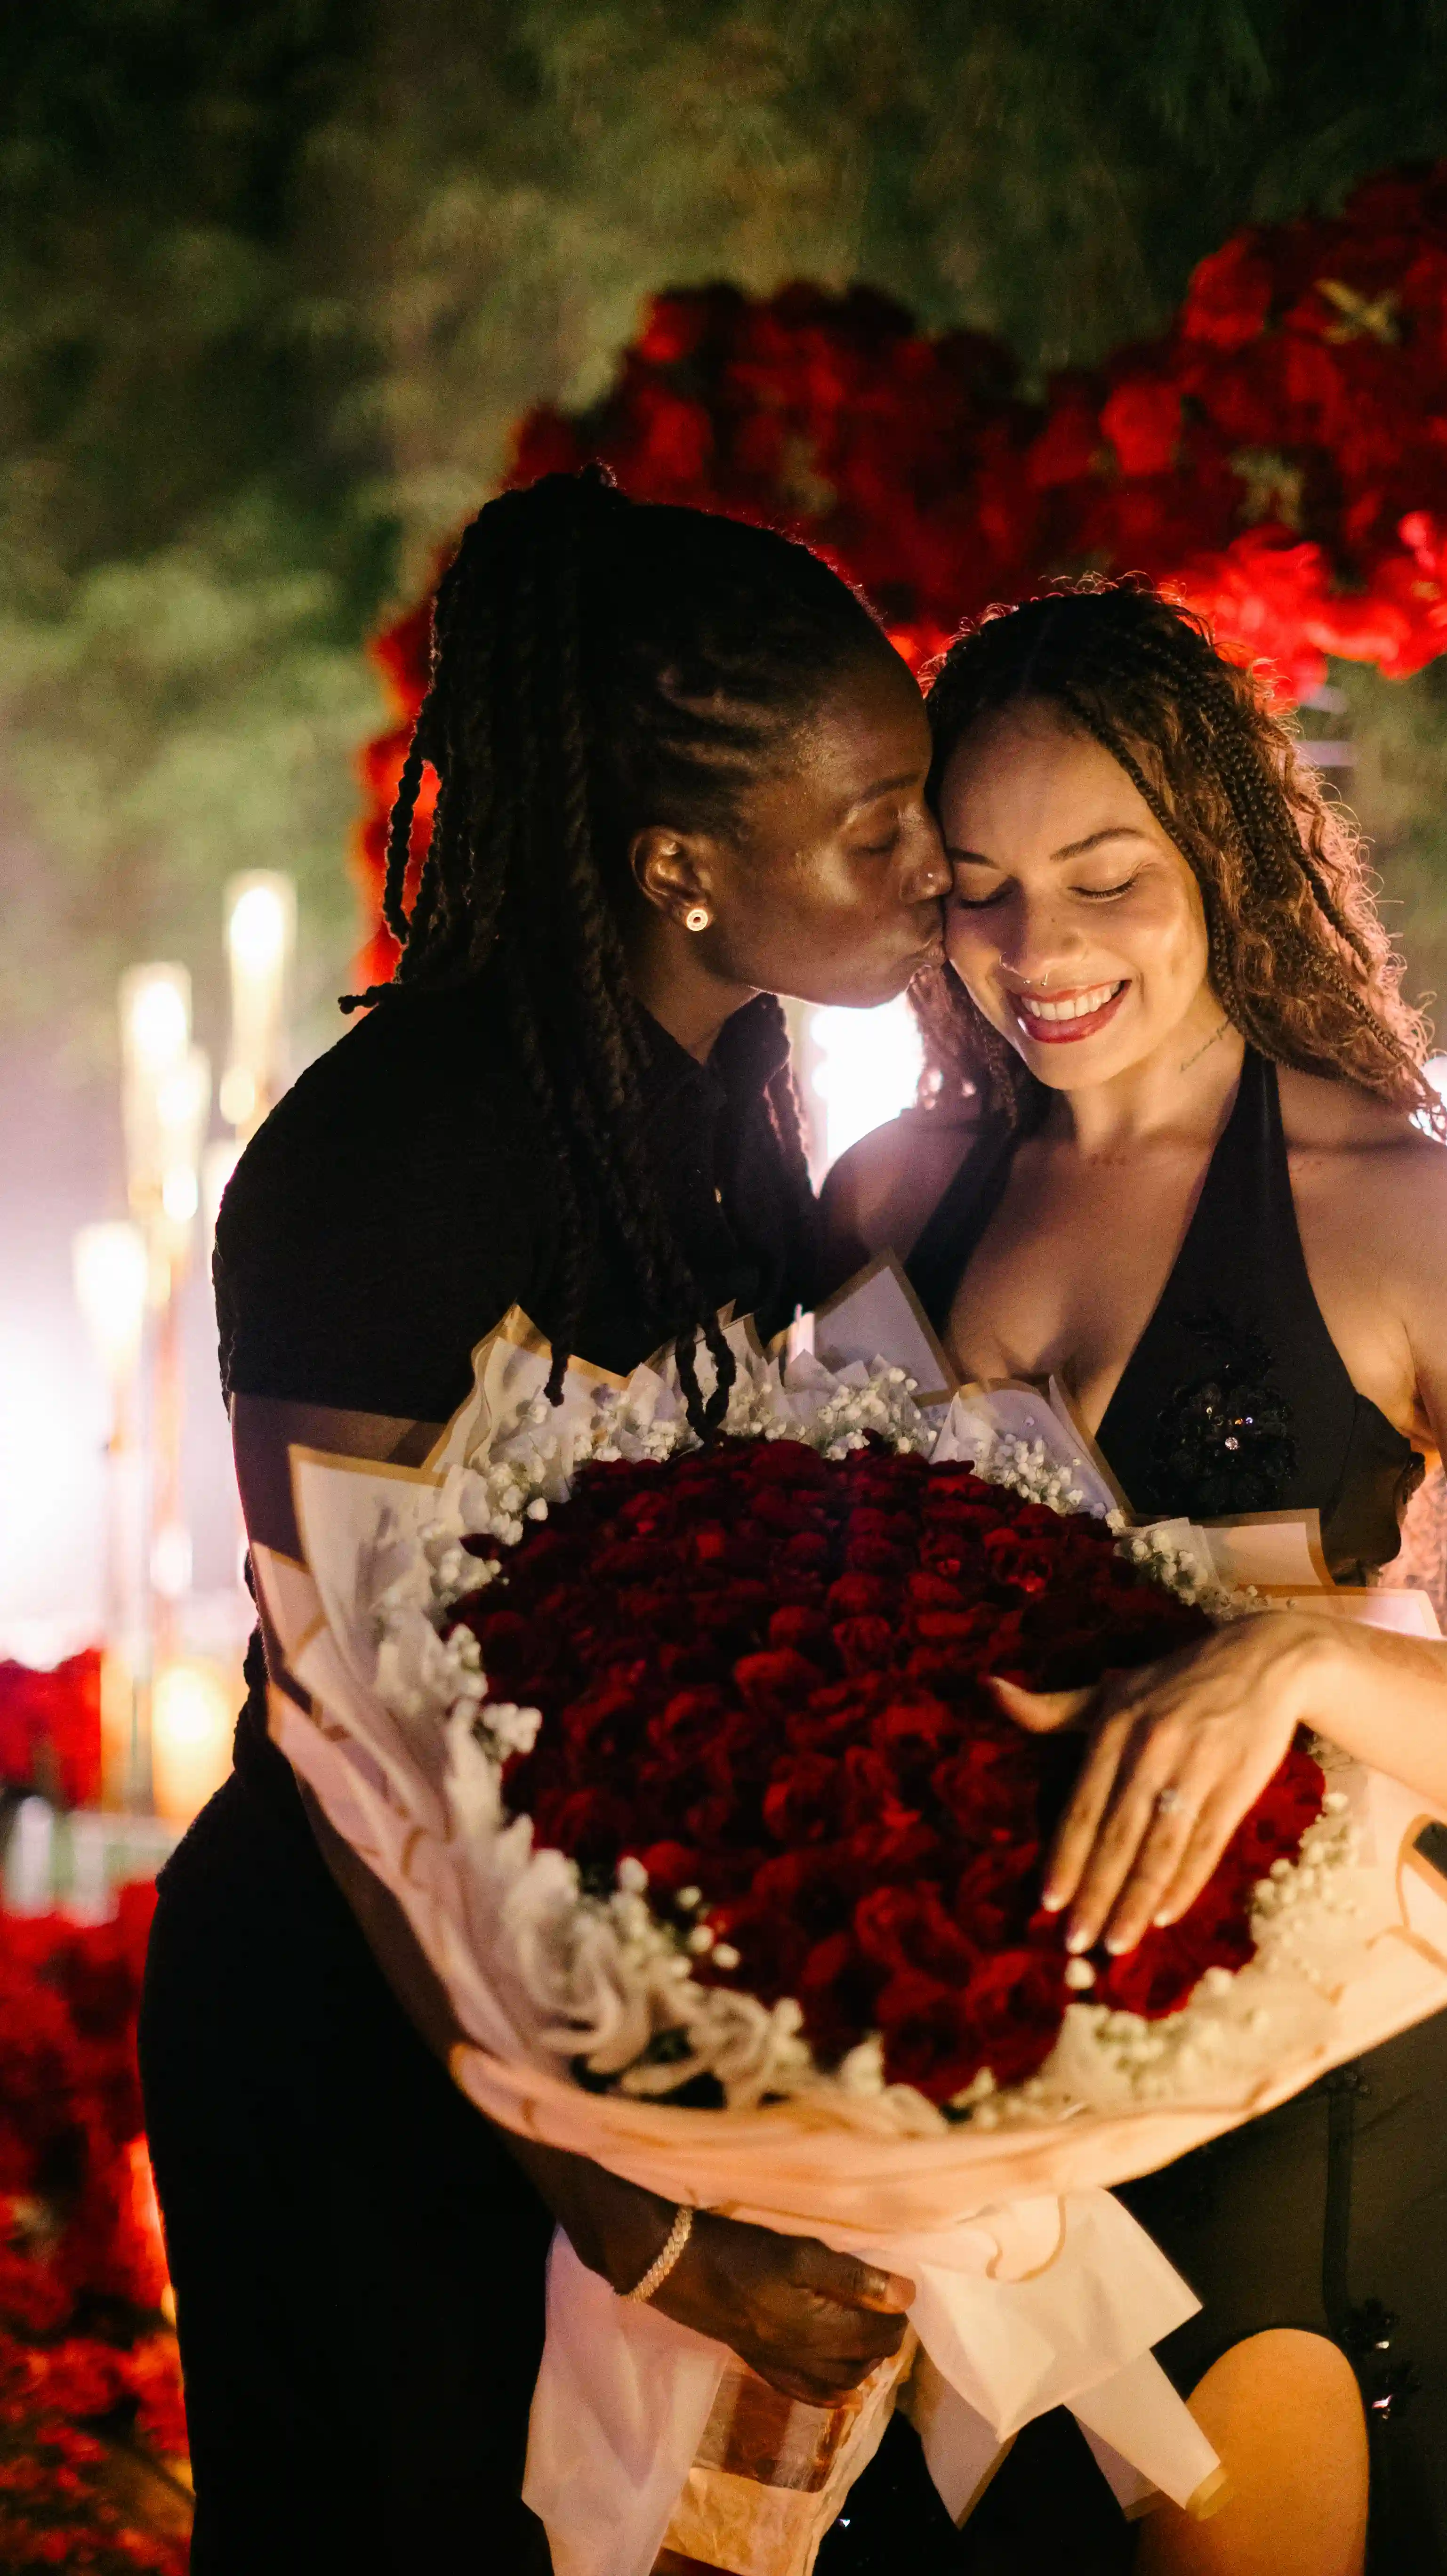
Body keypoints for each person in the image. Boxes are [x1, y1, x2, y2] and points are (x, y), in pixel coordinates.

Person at [819, 580, 1447, 2576]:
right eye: (976, 890)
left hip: (1315, 2077)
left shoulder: (1414, 1216)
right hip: (964, 2072)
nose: (1036, 951)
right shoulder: (882, 1203)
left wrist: (1288, 1673)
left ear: (1223, 848)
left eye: (1105, 876)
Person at [139, 469, 945, 2575]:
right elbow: (352, 1734)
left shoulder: (743, 1108)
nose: (931, 867)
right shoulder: (388, 1158)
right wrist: (628, 2210)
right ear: (683, 860)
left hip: (598, 2013)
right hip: (371, 2020)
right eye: (874, 827)